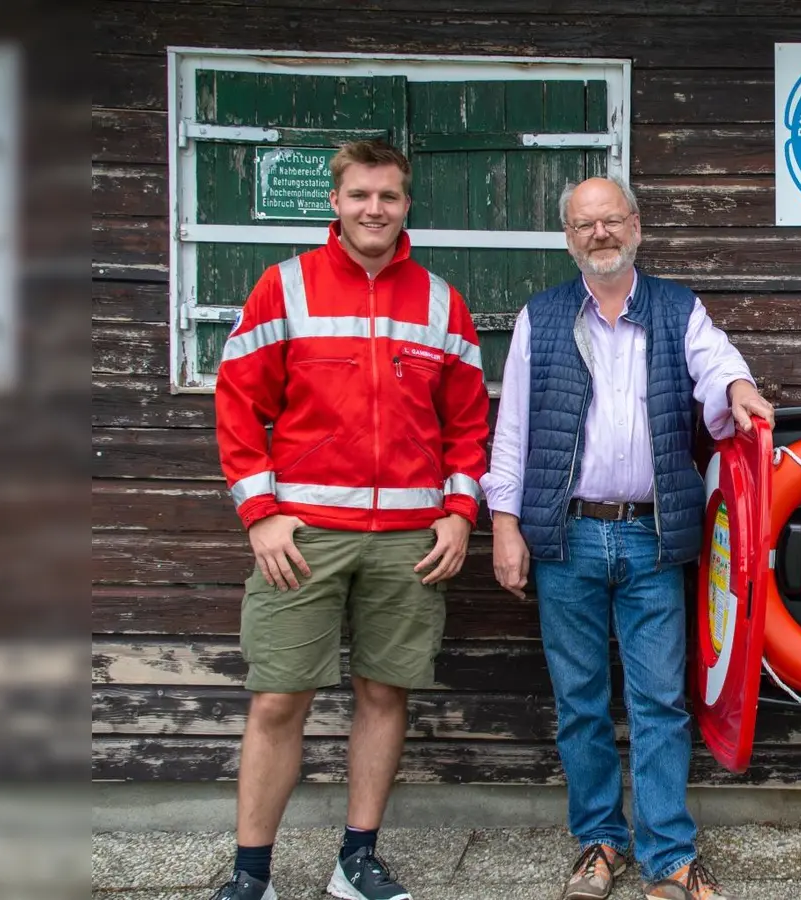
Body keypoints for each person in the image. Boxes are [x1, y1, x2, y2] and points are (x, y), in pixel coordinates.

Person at [211, 140, 491, 900]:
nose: (375, 209)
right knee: (278, 698)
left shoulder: (441, 301)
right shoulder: (285, 286)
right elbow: (238, 401)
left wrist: (461, 513)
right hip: (302, 537)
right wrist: (261, 515)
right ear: (334, 202)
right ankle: (251, 875)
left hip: (408, 539)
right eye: (361, 195)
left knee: (383, 694)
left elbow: (468, 425)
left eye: (390, 197)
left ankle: (355, 861)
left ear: (407, 205)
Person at [482, 176, 773, 900]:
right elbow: (512, 430)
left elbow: (717, 363)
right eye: (585, 225)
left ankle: (668, 853)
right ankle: (599, 845)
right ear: (569, 237)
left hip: (650, 537)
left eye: (611, 220)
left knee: (659, 702)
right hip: (568, 536)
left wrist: (737, 390)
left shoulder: (677, 309)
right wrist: (505, 524)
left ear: (637, 225)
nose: (600, 234)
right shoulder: (542, 317)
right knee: (579, 702)